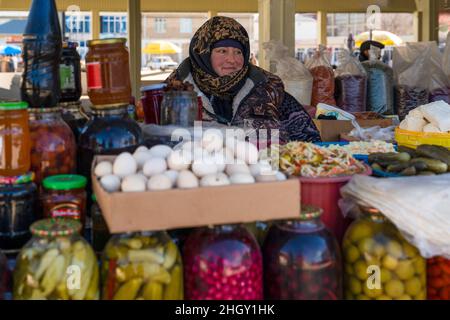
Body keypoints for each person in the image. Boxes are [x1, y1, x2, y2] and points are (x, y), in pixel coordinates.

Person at [166, 16, 320, 143]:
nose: (232, 60)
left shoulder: (267, 87)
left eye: (238, 52)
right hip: (199, 174)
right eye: (222, 51)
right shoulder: (174, 90)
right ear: (203, 53)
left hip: (268, 174)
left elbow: (309, 138)